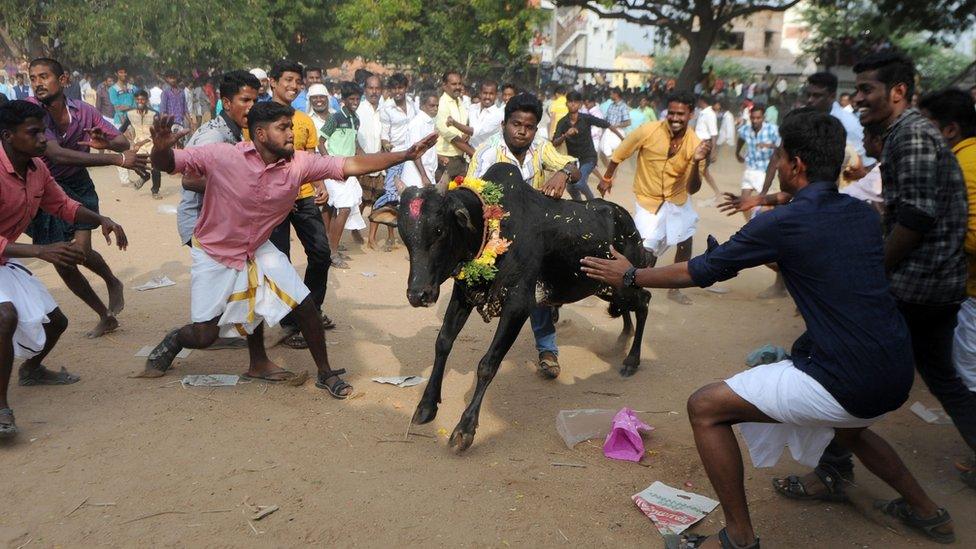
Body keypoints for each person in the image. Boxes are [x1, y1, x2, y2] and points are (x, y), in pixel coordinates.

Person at [581, 108, 957, 548]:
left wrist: (631, 276)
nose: (776, 165)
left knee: (705, 407)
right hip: (894, 370)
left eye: (780, 158)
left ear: (795, 164)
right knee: (850, 425)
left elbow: (701, 271)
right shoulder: (861, 214)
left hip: (846, 378)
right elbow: (811, 232)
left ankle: (739, 539)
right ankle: (929, 513)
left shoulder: (783, 224)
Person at [777, 51, 976, 501]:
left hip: (915, 286)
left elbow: (917, 218)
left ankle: (833, 470)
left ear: (899, 91)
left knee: (830, 361)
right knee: (941, 377)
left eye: (867, 89)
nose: (859, 97)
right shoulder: (907, 135)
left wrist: (872, 274)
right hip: (933, 286)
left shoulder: (912, 137)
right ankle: (837, 466)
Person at [142, 104, 436, 396]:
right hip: (214, 251)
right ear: (260, 133)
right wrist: (161, 148)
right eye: (282, 127)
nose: (291, 134)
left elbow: (350, 164)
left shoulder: (299, 163)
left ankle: (324, 372)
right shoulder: (223, 156)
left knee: (305, 305)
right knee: (205, 334)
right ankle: (176, 340)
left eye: (290, 126)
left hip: (256, 246)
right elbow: (168, 164)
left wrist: (406, 154)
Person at [0, 100, 128, 439]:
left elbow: (64, 206)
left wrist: (102, 218)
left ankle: (31, 369)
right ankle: (1, 409)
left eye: (43, 130)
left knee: (57, 323)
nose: (44, 139)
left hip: (2, 261)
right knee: (6, 316)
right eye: (34, 132)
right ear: (8, 135)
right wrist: (40, 250)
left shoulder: (37, 168)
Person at [26, 58, 147, 338]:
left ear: (64, 79)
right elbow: (55, 154)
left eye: (44, 76)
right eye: (32, 78)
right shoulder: (32, 112)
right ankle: (104, 315)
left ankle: (111, 281)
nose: (37, 83)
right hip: (45, 188)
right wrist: (115, 159)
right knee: (63, 261)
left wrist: (105, 143)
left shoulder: (84, 111)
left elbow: (122, 141)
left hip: (78, 185)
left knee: (78, 252)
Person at [467, 93, 580, 377]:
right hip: (496, 232)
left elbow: (575, 167)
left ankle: (547, 348)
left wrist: (563, 173)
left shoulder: (542, 149)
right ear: (505, 123)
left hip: (534, 233)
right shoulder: (486, 153)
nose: (521, 131)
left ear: (536, 129)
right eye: (516, 124)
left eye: (528, 127)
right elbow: (470, 195)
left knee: (536, 289)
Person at [600, 90, 710, 305]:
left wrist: (696, 162)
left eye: (681, 114)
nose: (676, 118)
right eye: (672, 113)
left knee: (685, 239)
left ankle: (675, 288)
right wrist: (607, 177)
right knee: (646, 251)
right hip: (647, 199)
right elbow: (620, 153)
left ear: (691, 114)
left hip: (677, 199)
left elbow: (693, 189)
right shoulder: (648, 131)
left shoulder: (696, 145)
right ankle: (633, 285)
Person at [919, 88, 976, 486]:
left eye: (930, 129)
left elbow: (972, 234)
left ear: (950, 128)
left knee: (966, 375)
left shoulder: (963, 164)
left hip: (969, 291)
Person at [264, 61, 335, 347]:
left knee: (321, 253)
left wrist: (321, 184)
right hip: (273, 201)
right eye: (288, 80)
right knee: (280, 261)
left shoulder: (304, 120)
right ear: (273, 82)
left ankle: (310, 312)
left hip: (304, 196)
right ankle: (289, 321)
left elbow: (309, 158)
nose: (293, 86)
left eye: (297, 82)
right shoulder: (258, 117)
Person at [320, 81, 366, 268]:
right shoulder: (335, 118)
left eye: (357, 99)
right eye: (351, 99)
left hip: (349, 169)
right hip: (333, 169)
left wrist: (366, 160)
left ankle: (331, 248)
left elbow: (354, 143)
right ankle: (332, 252)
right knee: (344, 208)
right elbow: (320, 142)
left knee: (341, 208)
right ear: (344, 100)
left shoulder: (356, 119)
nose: (355, 102)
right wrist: (330, 163)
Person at [552, 91, 623, 201]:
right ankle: (580, 206)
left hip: (588, 157)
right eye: (570, 102)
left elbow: (607, 124)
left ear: (580, 104)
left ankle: (592, 202)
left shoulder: (586, 118)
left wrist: (623, 139)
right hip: (573, 160)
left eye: (575, 102)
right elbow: (555, 142)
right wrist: (565, 135)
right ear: (566, 104)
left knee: (580, 183)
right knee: (570, 187)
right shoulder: (562, 122)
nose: (572, 104)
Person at [373, 73, 416, 251]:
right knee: (390, 195)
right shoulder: (387, 108)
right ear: (390, 90)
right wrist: (386, 144)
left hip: (413, 156)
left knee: (410, 196)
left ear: (406, 88)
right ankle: (373, 231)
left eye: (401, 87)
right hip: (397, 155)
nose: (398, 91)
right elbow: (384, 132)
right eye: (394, 88)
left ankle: (404, 236)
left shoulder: (414, 104)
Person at [734, 104, 779, 220]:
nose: (755, 121)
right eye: (753, 118)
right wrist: (737, 153)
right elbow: (741, 138)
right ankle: (750, 225)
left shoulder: (772, 130)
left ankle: (768, 225)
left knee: (766, 204)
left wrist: (768, 145)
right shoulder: (746, 129)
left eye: (758, 118)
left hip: (764, 171)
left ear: (763, 118)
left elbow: (780, 147)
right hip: (750, 169)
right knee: (743, 203)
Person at [119, 90, 161, 197]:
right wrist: (114, 140)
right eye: (137, 99)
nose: (140, 101)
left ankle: (155, 191)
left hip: (152, 143)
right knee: (135, 163)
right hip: (138, 144)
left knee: (155, 167)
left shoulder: (154, 114)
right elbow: (121, 129)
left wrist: (143, 142)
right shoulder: (130, 114)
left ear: (146, 100)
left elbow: (158, 132)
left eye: (142, 99)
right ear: (135, 100)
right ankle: (145, 176)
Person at [434, 71, 473, 186]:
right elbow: (450, 135)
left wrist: (467, 135)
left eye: (459, 84)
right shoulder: (442, 104)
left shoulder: (460, 101)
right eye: (454, 84)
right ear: (444, 86)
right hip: (446, 159)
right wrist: (471, 152)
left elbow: (464, 125)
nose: (458, 87)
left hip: (460, 157)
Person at [356, 75, 386, 222]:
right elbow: (353, 136)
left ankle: (371, 238)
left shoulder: (385, 110)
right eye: (370, 88)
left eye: (377, 88)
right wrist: (361, 155)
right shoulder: (358, 110)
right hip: (363, 163)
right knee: (359, 200)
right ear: (365, 90)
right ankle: (353, 233)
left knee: (378, 201)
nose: (374, 92)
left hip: (381, 164)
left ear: (381, 90)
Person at [398, 90, 439, 188]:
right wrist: (423, 176)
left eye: (437, 106)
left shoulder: (429, 122)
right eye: (432, 106)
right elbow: (415, 151)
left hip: (427, 170)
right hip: (416, 174)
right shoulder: (417, 123)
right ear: (422, 105)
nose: (436, 109)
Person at [694, 94, 723, 203]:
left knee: (703, 171)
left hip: (705, 145)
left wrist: (713, 151)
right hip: (698, 144)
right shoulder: (702, 113)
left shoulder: (709, 114)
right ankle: (717, 193)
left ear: (702, 100)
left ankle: (717, 193)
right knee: (703, 171)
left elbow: (714, 134)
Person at [466, 80, 504, 150]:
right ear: (480, 93)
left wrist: (454, 123)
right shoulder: (472, 108)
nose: (487, 97)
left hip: (488, 157)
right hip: (468, 154)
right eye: (485, 93)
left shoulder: (498, 114)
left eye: (491, 94)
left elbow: (475, 132)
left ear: (496, 95)